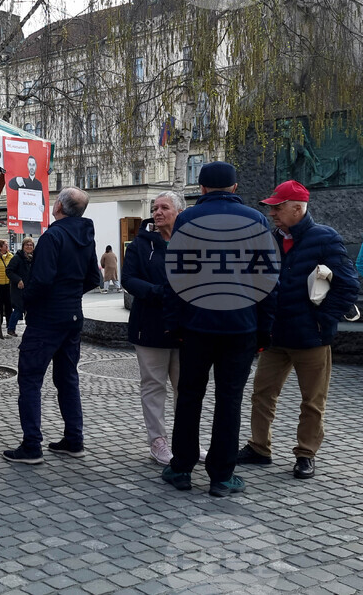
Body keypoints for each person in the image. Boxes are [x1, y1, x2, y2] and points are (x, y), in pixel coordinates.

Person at [161, 161, 277, 498]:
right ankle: (222, 477)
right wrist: (264, 329)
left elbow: (174, 277)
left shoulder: (187, 220)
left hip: (196, 325)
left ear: (201, 188)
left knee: (189, 397)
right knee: (230, 400)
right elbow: (268, 280)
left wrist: (174, 324)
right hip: (240, 325)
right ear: (235, 187)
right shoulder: (256, 220)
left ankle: (181, 468)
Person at [237, 180, 360, 479]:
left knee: (312, 401)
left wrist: (321, 320)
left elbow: (348, 285)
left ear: (297, 208)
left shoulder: (325, 238)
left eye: (277, 208)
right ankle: (259, 448)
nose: (272, 213)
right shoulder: (270, 239)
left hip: (311, 337)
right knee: (262, 393)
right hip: (276, 335)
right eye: (271, 208)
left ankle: (306, 454)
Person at [3, 187, 101, 465]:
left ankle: (32, 445)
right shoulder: (86, 237)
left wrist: (27, 301)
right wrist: (70, 295)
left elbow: (42, 280)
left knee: (30, 380)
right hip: (72, 317)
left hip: (46, 320)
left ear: (58, 206)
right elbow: (94, 278)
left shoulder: (53, 236)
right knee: (68, 379)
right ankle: (74, 440)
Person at [122, 192, 185, 466]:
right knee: (154, 386)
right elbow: (128, 279)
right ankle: (158, 441)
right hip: (149, 325)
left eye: (164, 208)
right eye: (155, 208)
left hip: (185, 327)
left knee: (186, 387)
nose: (157, 212)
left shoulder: (191, 240)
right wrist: (159, 292)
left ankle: (186, 441)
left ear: (179, 212)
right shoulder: (140, 243)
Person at [7, 155, 44, 235]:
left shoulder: (39, 184)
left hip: (37, 221)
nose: (31, 167)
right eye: (30, 164)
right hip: (25, 221)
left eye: (33, 165)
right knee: (25, 235)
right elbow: (10, 184)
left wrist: (43, 207)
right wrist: (16, 179)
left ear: (36, 166)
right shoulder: (23, 181)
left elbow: (42, 200)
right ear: (27, 165)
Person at [5, 238, 34, 336]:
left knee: (30, 309)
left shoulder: (34, 258)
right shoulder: (17, 258)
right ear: (23, 246)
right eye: (27, 245)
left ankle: (30, 329)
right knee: (19, 309)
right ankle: (11, 328)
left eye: (31, 245)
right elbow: (9, 271)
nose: (29, 247)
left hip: (30, 288)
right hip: (19, 288)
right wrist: (18, 280)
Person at [0, 240, 13, 330]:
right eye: (5, 245)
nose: (7, 246)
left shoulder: (11, 256)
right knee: (0, 304)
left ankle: (9, 324)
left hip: (8, 284)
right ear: (0, 247)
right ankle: (0, 323)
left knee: (9, 304)